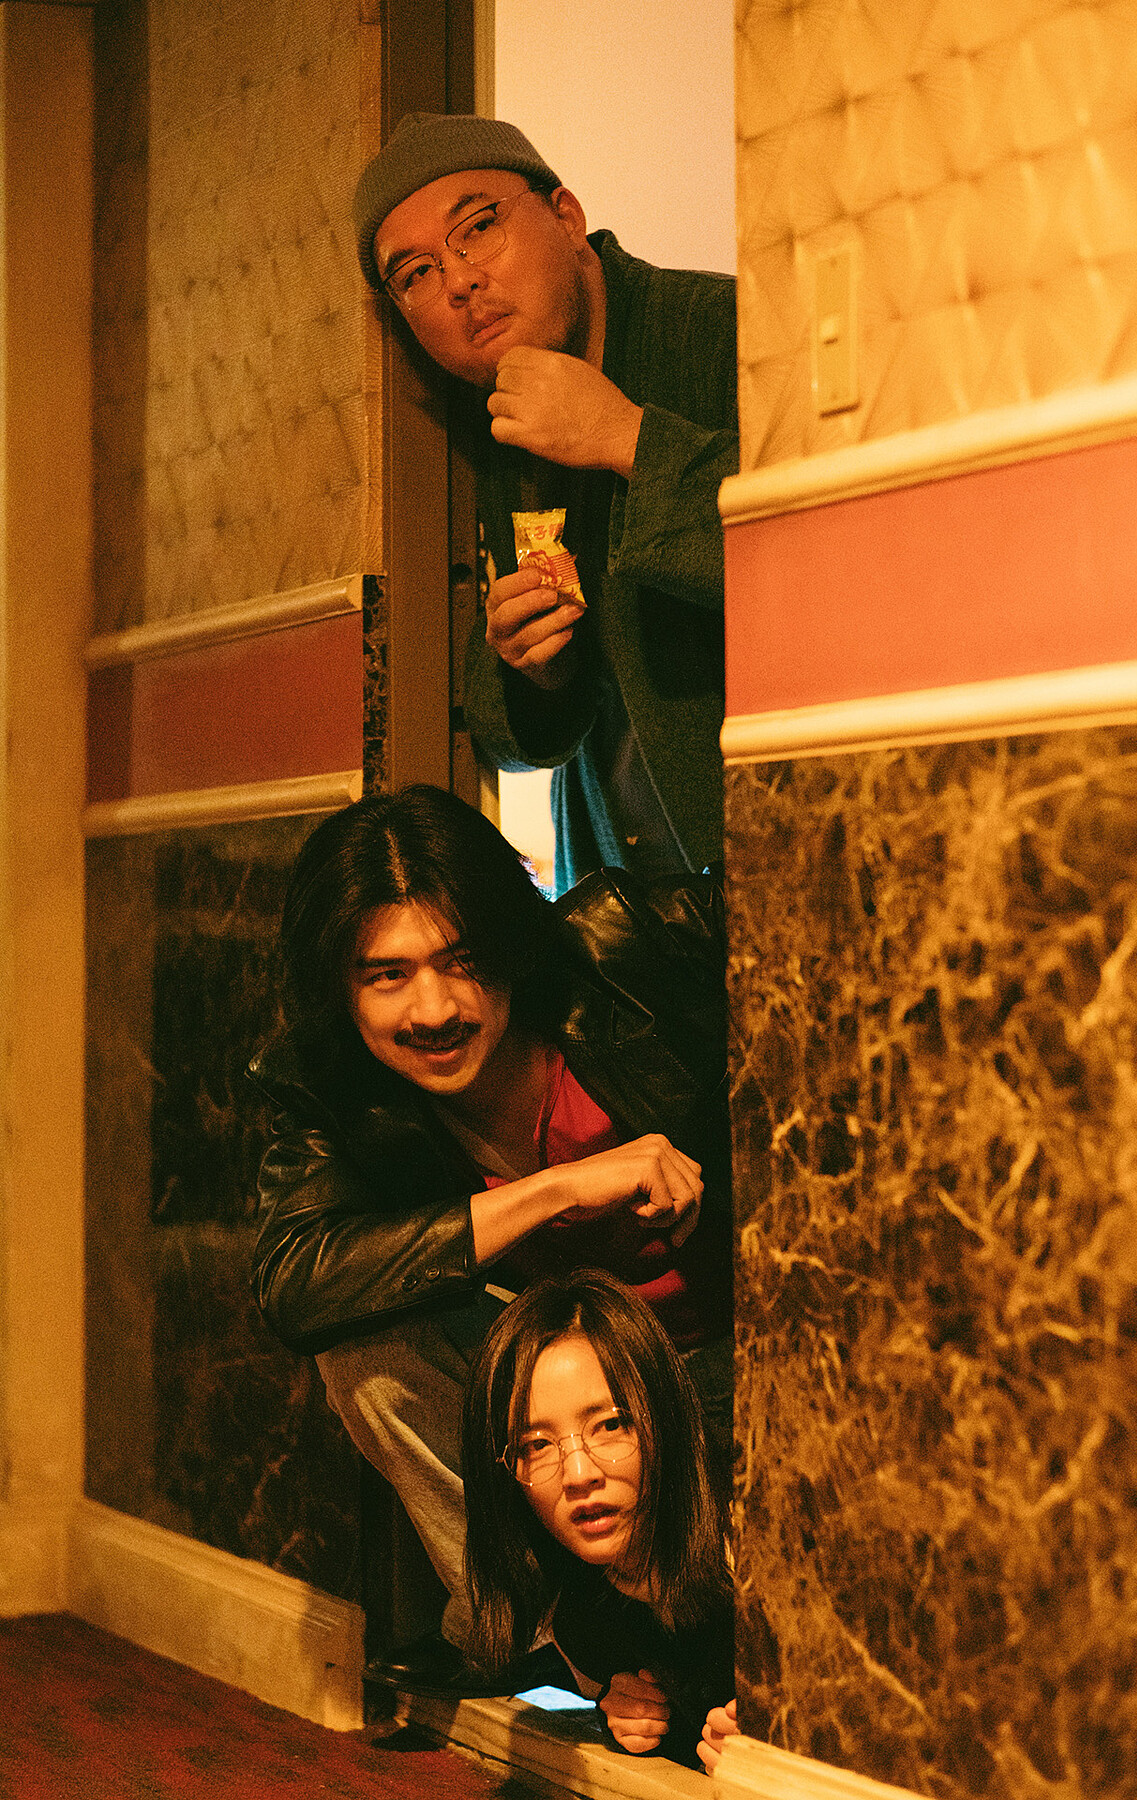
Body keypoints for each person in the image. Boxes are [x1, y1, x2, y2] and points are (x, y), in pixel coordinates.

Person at [248, 786, 731, 1686]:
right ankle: (550, 1637)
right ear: (341, 988)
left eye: (461, 961)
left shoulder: (626, 948)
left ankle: (673, 1658)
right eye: (387, 975)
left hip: (731, 1378)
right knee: (367, 1358)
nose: (433, 1009)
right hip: (556, 1425)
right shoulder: (327, 1086)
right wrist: (554, 1191)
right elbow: (296, 1283)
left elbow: (807, 900)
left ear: (510, 947)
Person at [351, 113, 738, 893]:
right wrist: (537, 673)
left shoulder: (728, 328)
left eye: (478, 227)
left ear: (566, 217)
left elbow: (840, 558)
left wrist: (625, 437)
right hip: (627, 902)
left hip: (791, 866)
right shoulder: (497, 428)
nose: (458, 281)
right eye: (417, 274)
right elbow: (512, 743)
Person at [462, 1268, 740, 1771]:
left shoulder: (758, 1542)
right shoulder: (584, 1621)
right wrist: (627, 1715)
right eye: (535, 1445)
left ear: (665, 1419)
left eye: (610, 1424)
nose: (578, 1474)